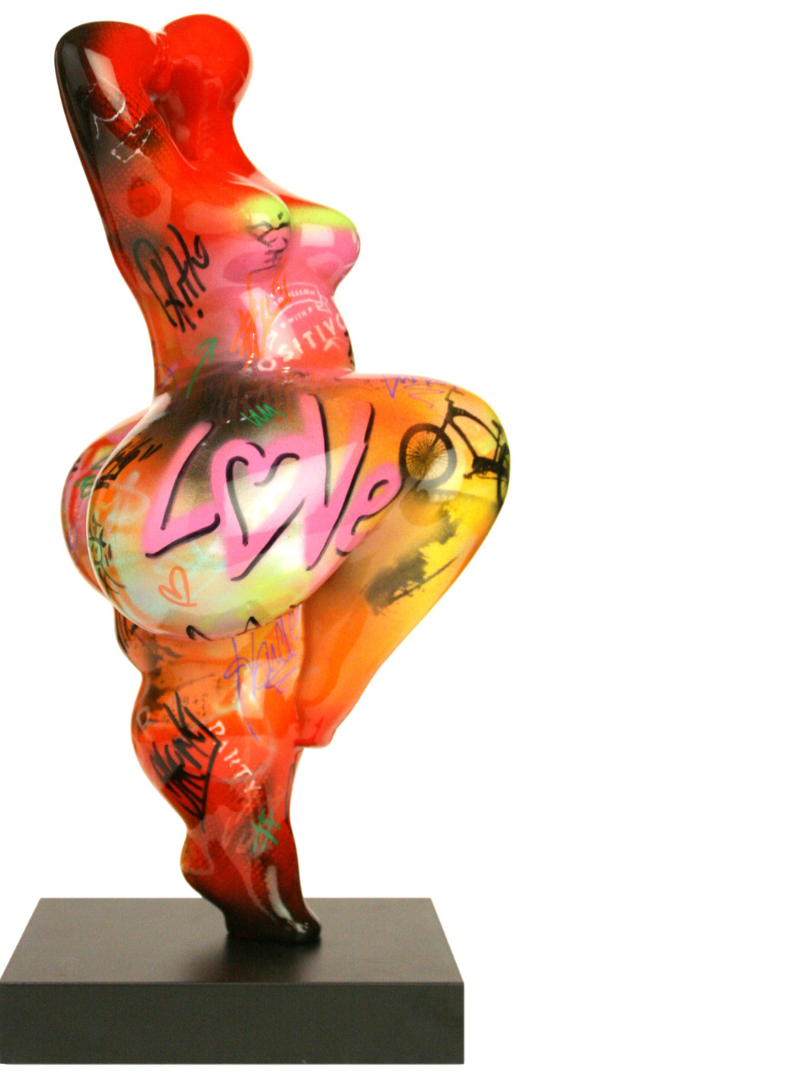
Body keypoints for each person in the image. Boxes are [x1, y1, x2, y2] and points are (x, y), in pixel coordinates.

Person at [56, 15, 508, 942]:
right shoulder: (143, 171)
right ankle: (286, 748)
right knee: (455, 446)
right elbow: (87, 58)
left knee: (257, 657)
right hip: (203, 459)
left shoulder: (239, 167)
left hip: (268, 470)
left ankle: (243, 836)